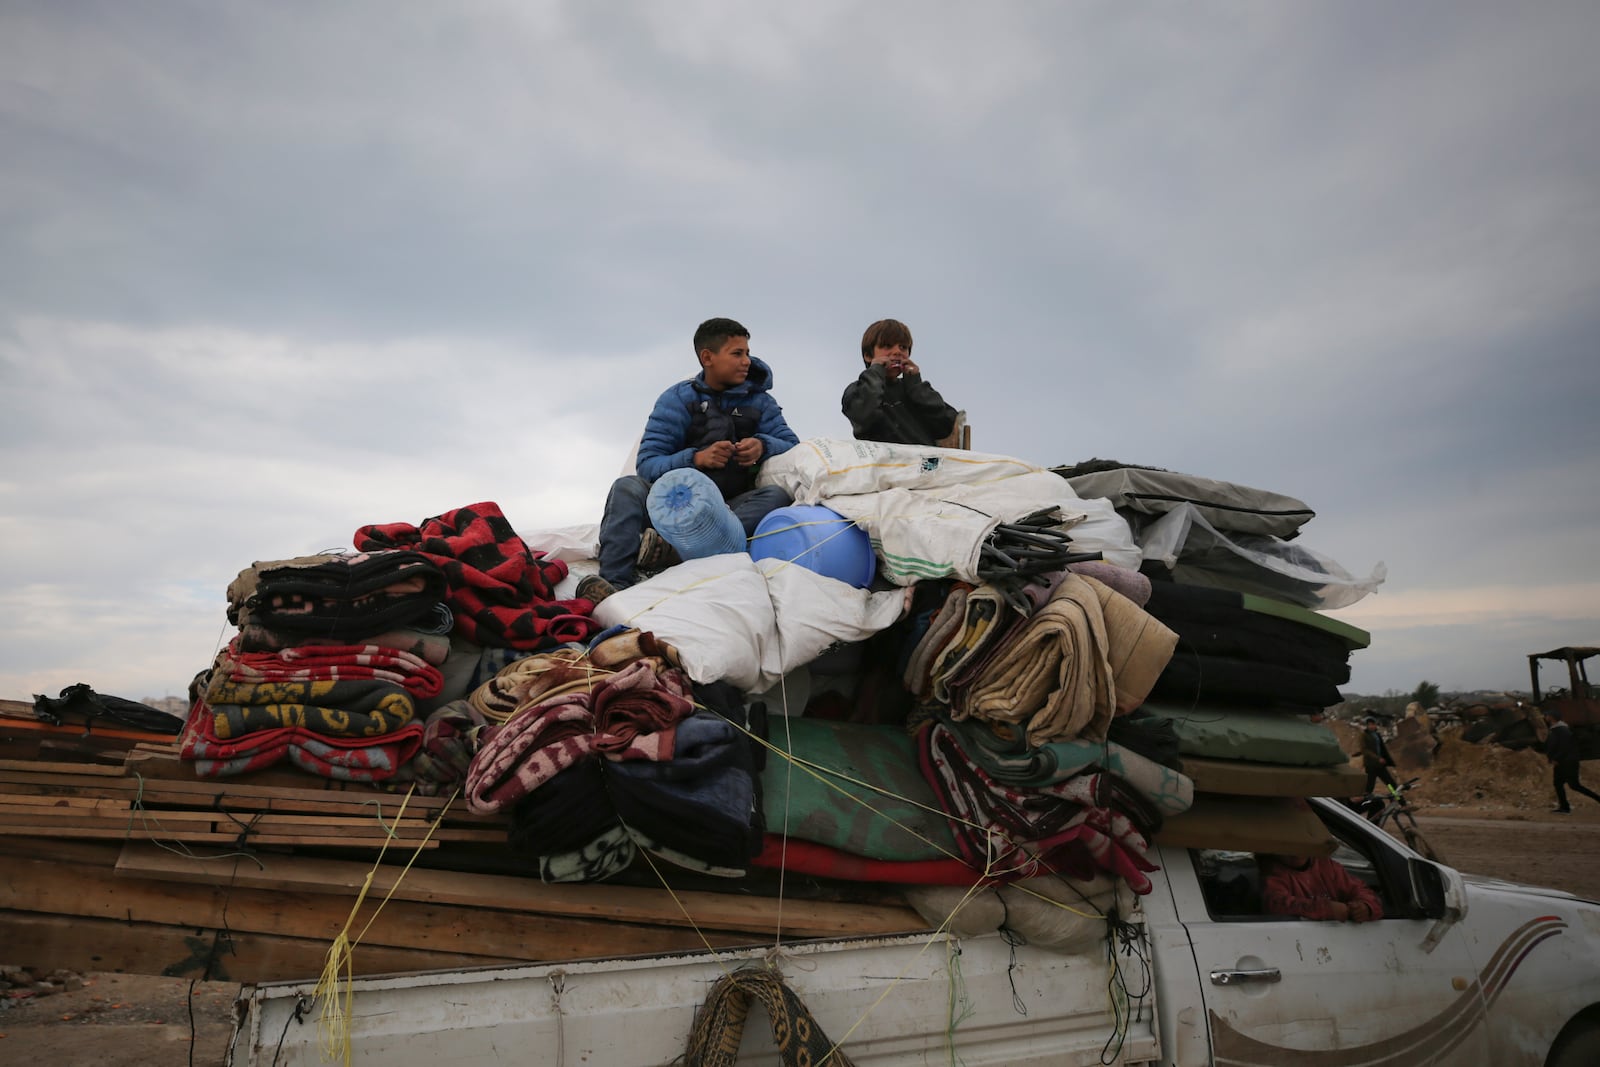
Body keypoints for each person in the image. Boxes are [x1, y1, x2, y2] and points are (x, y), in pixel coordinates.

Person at [580, 318, 799, 603]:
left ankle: (675, 552)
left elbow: (793, 447)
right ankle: (615, 587)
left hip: (729, 510)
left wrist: (763, 445)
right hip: (669, 511)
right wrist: (696, 459)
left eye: (746, 352)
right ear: (707, 357)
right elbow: (647, 464)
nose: (747, 361)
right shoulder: (677, 400)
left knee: (776, 496)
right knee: (626, 488)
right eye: (737, 353)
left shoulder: (761, 403)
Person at [840, 318, 959, 446]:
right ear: (868, 355)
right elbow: (862, 414)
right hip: (884, 463)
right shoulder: (858, 391)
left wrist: (916, 386)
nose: (897, 352)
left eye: (903, 347)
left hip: (922, 463)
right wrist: (875, 372)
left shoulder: (914, 390)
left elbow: (948, 426)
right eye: (887, 346)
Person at [1261, 853, 1384, 923]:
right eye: (1286, 843)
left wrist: (1365, 908)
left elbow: (1360, 890)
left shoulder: (1327, 867)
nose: (1296, 849)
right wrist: (1327, 909)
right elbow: (1276, 905)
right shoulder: (1271, 873)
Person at [1544, 707, 1600, 814]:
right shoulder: (1556, 729)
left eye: (1546, 715)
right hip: (1562, 762)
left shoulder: (1562, 730)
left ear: (1551, 717)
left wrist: (1556, 758)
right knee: (1558, 783)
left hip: (1567, 762)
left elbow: (1565, 747)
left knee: (1574, 785)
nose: (1545, 717)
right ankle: (1564, 807)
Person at [1360, 714, 1398, 796]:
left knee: (1391, 784)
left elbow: (1382, 749)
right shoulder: (1364, 735)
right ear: (1366, 726)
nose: (1371, 726)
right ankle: (1364, 805)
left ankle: (1401, 802)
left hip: (1380, 765)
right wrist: (1377, 758)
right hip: (1371, 765)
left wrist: (1388, 760)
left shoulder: (1377, 735)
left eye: (1373, 724)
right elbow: (1365, 750)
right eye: (1369, 725)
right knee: (1369, 788)